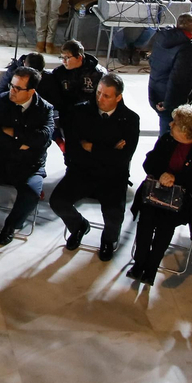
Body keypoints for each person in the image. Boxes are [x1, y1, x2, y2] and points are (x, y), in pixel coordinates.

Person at [50, 72, 141, 261]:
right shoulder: (80, 112)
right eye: (99, 93)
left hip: (113, 176)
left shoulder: (130, 119)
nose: (100, 99)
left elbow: (123, 158)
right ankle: (79, 226)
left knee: (114, 213)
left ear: (118, 97)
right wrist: (109, 150)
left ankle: (108, 240)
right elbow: (73, 149)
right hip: (82, 171)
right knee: (58, 201)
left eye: (106, 95)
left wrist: (92, 147)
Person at [0, 65, 57, 263]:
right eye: (12, 85)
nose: (12, 90)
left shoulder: (45, 109)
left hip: (29, 164)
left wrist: (13, 133)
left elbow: (43, 139)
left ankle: (10, 226)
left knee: (32, 192)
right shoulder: (0, 101)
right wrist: (22, 143)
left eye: (18, 88)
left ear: (31, 91)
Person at [129, 104, 192, 285]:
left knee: (165, 226)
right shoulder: (166, 140)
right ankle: (139, 264)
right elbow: (149, 163)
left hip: (180, 202)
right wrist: (162, 173)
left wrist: (176, 178)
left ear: (186, 130)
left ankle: (151, 269)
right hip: (154, 194)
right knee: (145, 222)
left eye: (175, 123)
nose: (170, 125)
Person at [145, 13, 192, 137]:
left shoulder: (162, 36)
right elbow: (178, 79)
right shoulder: (188, 48)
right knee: (169, 135)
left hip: (156, 91)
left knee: (165, 130)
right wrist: (168, 103)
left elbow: (152, 62)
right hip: (171, 99)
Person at [38, 40, 105, 114]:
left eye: (67, 58)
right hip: (66, 112)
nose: (64, 61)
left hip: (89, 112)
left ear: (79, 57)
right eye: (62, 58)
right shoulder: (59, 72)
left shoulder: (97, 73)